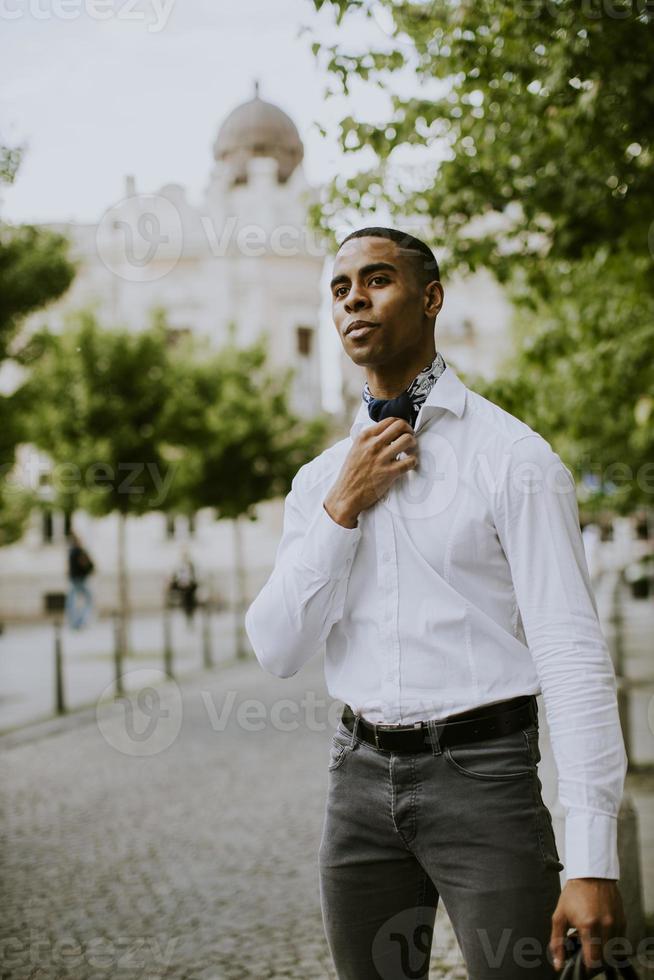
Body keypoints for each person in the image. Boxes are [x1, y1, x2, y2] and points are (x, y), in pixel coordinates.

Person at [245, 228, 628, 979]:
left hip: (485, 776)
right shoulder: (318, 479)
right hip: (356, 782)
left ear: (431, 299)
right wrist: (341, 507)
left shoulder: (514, 459)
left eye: (377, 279)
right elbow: (277, 648)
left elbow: (573, 655)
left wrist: (592, 860)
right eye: (339, 287)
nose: (353, 296)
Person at [66, 531, 95, 630]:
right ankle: (79, 621)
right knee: (88, 600)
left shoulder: (70, 552)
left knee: (72, 601)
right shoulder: (79, 552)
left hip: (74, 579)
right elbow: (87, 564)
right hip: (81, 579)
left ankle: (74, 622)